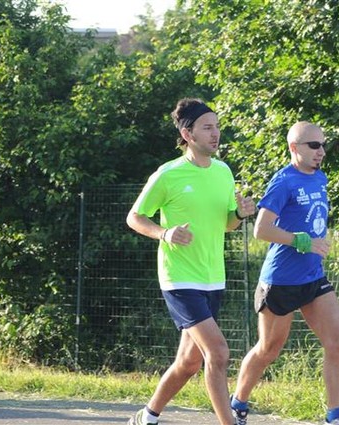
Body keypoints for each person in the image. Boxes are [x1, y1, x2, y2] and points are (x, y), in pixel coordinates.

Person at [126, 98, 255, 425]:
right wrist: (165, 233)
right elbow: (135, 217)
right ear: (187, 133)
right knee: (218, 353)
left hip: (213, 277)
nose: (216, 134)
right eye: (207, 128)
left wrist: (241, 214)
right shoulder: (168, 174)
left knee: (188, 362)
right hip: (180, 277)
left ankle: (146, 416)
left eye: (217, 127)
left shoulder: (223, 172)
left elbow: (227, 224)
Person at [229, 122, 339, 425]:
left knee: (337, 343)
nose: (321, 151)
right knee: (268, 350)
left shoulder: (320, 177)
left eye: (323, 145)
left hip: (313, 277)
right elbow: (261, 229)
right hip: (280, 280)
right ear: (294, 148)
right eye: (314, 145)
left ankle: (335, 414)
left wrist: (314, 241)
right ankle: (238, 403)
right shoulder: (283, 182)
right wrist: (302, 241)